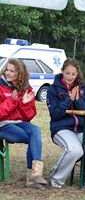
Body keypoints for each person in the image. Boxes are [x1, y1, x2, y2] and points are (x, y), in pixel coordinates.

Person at [47, 58, 85, 189]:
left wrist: (77, 100)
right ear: (62, 71)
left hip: (83, 129)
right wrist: (68, 100)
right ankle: (56, 179)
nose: (70, 77)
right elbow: (55, 114)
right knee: (74, 150)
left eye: (73, 74)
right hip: (62, 128)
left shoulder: (84, 88)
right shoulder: (52, 89)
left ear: (77, 74)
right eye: (67, 73)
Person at [0, 58, 47, 190]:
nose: (7, 73)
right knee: (34, 139)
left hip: (19, 123)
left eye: (12, 71)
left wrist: (24, 104)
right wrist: (13, 101)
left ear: (19, 74)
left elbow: (28, 116)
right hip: (3, 125)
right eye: (7, 70)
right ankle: (33, 177)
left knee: (35, 130)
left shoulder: (26, 89)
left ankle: (35, 175)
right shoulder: (0, 86)